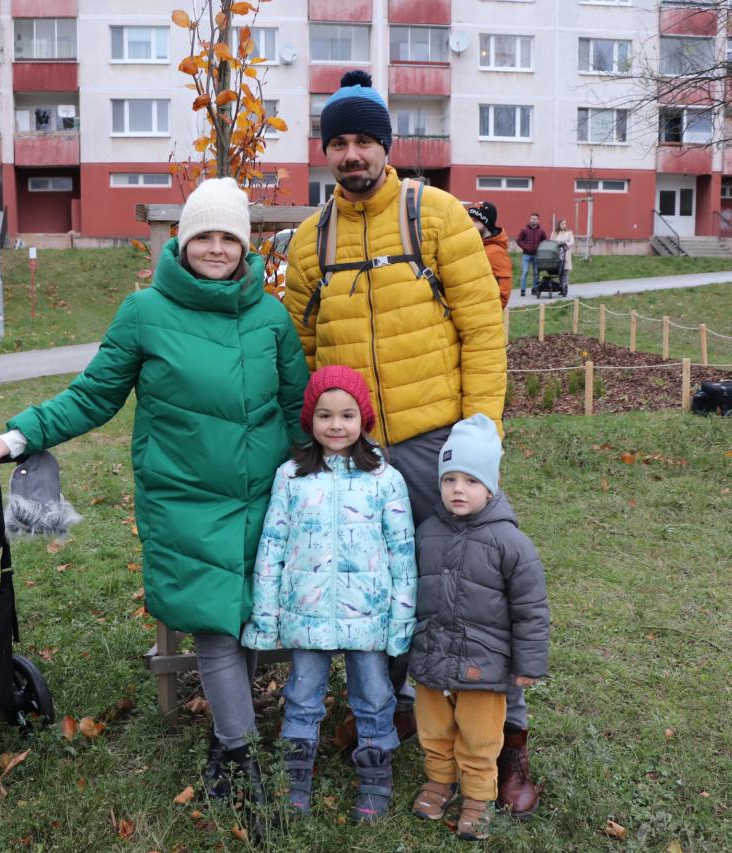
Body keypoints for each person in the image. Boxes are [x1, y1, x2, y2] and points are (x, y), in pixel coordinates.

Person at [0, 177, 309, 805]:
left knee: (247, 617)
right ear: (182, 242)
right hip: (184, 499)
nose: (215, 248)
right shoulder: (145, 312)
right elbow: (93, 394)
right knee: (215, 625)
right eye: (203, 236)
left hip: (262, 498)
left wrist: (319, 479)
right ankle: (242, 760)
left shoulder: (271, 318)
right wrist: (19, 436)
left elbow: (296, 409)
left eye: (228, 237)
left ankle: (224, 744)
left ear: (244, 245)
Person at [282, 68, 507, 756]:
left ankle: (509, 736)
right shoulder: (309, 241)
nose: (352, 154)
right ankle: (404, 707)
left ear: (387, 145)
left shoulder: (435, 216)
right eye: (339, 143)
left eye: (364, 141)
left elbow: (482, 329)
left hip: (440, 442)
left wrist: (480, 431)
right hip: (357, 453)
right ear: (326, 151)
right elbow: (299, 352)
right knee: (379, 587)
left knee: (474, 586)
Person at [241, 365, 417, 823]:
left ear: (363, 419)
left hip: (368, 617)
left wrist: (400, 619)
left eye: (346, 415)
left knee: (374, 696)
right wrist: (266, 615)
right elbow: (272, 547)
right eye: (325, 415)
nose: (336, 425)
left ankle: (375, 776)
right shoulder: (291, 476)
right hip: (307, 614)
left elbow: (402, 554)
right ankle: (295, 778)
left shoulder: (385, 479)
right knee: (302, 695)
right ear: (310, 419)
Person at [407, 414, 550, 839]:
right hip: (433, 655)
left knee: (479, 735)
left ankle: (478, 795)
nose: (458, 489)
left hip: (483, 664)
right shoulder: (426, 533)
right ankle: (439, 781)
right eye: (449, 479)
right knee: (434, 728)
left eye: (471, 480)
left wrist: (528, 663)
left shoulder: (510, 542)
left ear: (491, 485)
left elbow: (530, 608)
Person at [467, 202, 513, 308]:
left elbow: (504, 293)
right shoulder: (474, 246)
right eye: (469, 219)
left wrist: (488, 312)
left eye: (475, 220)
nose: (471, 223)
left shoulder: (496, 252)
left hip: (483, 314)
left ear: (486, 223)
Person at [516, 213, 546, 297]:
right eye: (532, 219)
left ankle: (534, 289)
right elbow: (518, 240)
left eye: (535, 219)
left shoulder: (541, 231)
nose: (533, 220)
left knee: (536, 273)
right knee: (525, 272)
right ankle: (522, 290)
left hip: (536, 255)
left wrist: (540, 249)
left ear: (538, 220)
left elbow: (544, 242)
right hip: (526, 254)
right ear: (530, 219)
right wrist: (525, 247)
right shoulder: (524, 230)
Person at [552, 218, 576, 293]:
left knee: (565, 272)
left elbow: (572, 242)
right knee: (559, 272)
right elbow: (551, 242)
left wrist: (565, 244)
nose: (564, 225)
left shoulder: (569, 232)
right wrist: (557, 245)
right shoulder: (554, 233)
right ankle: (561, 288)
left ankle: (565, 288)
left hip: (566, 253)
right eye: (562, 224)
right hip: (557, 254)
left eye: (565, 224)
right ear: (559, 225)